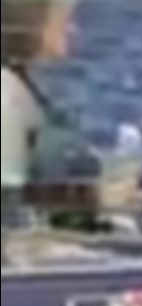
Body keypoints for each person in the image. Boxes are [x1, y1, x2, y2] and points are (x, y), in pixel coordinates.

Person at [1, 0, 94, 233]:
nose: (74, 29)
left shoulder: (27, 90)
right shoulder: (7, 93)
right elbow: (8, 210)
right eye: (65, 21)